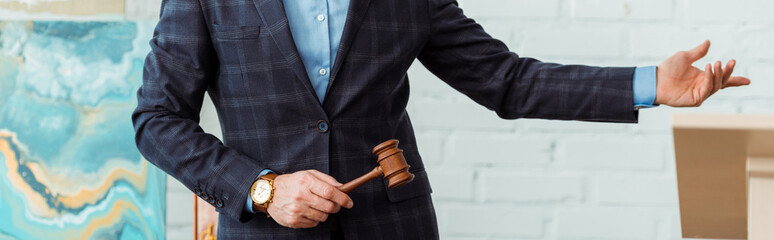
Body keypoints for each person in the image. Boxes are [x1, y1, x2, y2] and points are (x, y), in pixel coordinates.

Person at [132, 0, 750, 239]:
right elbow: (158, 119)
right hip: (266, 233)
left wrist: (648, 85)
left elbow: (506, 80)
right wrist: (262, 189)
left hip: (394, 229)